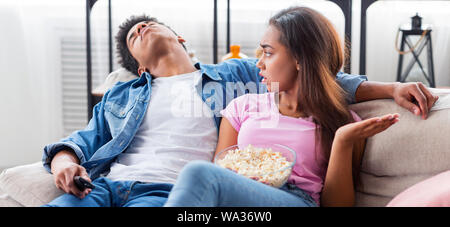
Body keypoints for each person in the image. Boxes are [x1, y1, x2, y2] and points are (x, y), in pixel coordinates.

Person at [42, 10, 437, 207]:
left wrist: (392, 87)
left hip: (166, 193)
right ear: (138, 66)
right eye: (133, 36)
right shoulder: (121, 96)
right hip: (105, 184)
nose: (140, 29)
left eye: (148, 23)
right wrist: (62, 161)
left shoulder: (234, 79)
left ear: (178, 36)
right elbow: (79, 142)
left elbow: (319, 75)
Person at [163, 6, 403, 207]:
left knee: (198, 172)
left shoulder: (345, 123)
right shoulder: (242, 107)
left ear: (300, 59)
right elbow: (223, 170)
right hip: (238, 199)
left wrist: (342, 141)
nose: (259, 63)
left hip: (297, 200)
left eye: (268, 53)